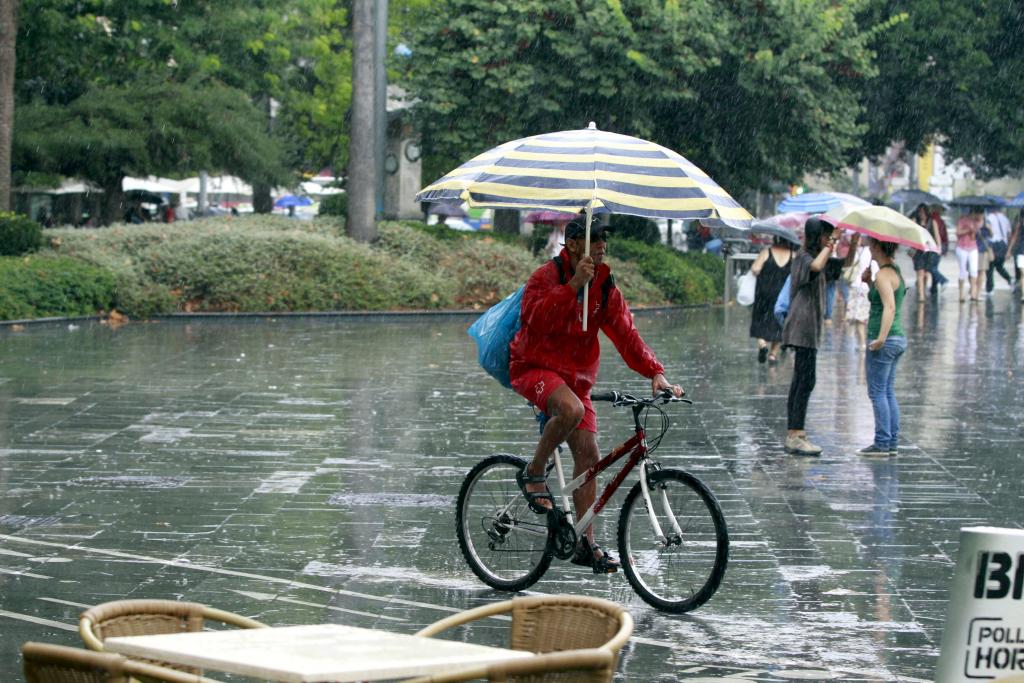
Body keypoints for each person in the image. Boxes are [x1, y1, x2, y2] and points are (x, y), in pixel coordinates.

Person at [510, 219, 684, 573]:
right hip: (533, 367)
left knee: (589, 456)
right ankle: (533, 472)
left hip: (576, 380)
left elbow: (626, 335)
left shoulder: (604, 286)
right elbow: (535, 319)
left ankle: (585, 544)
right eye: (595, 238)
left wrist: (656, 372)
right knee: (570, 410)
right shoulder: (546, 277)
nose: (603, 245)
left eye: (605, 239)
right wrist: (573, 285)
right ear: (573, 244)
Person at [781, 217, 837, 456]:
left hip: (809, 329)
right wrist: (829, 246)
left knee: (804, 380)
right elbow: (815, 268)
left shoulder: (817, 258)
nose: (828, 240)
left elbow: (843, 264)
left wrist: (852, 243)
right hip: (801, 327)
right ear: (816, 236)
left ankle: (796, 432)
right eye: (826, 236)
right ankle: (795, 433)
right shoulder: (804, 258)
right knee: (804, 381)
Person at [858, 238, 907, 457]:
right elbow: (883, 300)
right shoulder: (893, 272)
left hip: (886, 340)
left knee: (877, 392)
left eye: (871, 244)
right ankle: (891, 441)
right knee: (887, 391)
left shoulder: (884, 275)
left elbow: (889, 307)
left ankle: (882, 442)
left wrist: (880, 338)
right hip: (896, 339)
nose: (869, 247)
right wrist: (869, 283)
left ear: (878, 247)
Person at [748, 236, 792, 364]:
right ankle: (773, 355)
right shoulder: (792, 255)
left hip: (764, 293)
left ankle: (762, 344)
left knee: (761, 319)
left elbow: (755, 269)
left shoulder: (767, 252)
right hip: (782, 295)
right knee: (779, 323)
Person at [843, 233, 874, 350]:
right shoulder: (855, 251)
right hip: (854, 286)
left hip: (863, 289)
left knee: (860, 318)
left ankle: (862, 343)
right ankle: (858, 342)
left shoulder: (867, 252)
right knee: (853, 317)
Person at [984, 207, 1013, 294]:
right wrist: (1008, 248)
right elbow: (1009, 233)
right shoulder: (1005, 218)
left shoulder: (988, 217)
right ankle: (1010, 279)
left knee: (989, 267)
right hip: (1003, 244)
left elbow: (988, 232)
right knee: (999, 266)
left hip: (993, 243)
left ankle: (990, 288)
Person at [910, 205, 936, 302]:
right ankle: (921, 296)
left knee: (926, 275)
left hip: (929, 251)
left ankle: (922, 289)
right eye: (920, 212)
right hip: (918, 251)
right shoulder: (915, 222)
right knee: (920, 273)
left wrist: (938, 249)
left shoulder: (932, 223)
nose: (922, 215)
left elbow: (936, 236)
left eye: (924, 212)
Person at [955, 210, 982, 302]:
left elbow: (974, 237)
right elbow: (958, 232)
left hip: (973, 248)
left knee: (974, 270)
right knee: (962, 271)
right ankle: (961, 294)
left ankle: (973, 293)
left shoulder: (976, 222)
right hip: (962, 247)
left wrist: (974, 230)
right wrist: (968, 229)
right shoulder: (962, 220)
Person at [1008, 211, 1024, 300]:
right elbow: (1014, 237)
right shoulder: (1019, 225)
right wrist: (1010, 250)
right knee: (1022, 272)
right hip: (1021, 250)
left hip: (1020, 251)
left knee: (1022, 273)